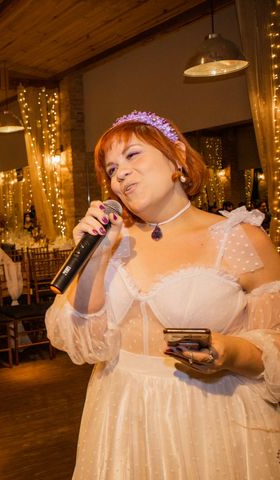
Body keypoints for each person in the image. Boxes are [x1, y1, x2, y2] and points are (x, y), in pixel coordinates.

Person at [45, 111, 280, 479]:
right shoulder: (110, 242)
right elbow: (85, 346)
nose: (119, 173)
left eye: (132, 155)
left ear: (178, 160)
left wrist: (229, 351)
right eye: (110, 169)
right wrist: (96, 258)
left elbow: (275, 346)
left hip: (210, 415)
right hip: (121, 413)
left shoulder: (240, 239)